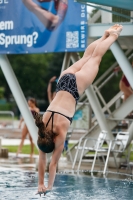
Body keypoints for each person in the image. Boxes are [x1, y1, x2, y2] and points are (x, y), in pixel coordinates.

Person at [32, 24, 123, 196]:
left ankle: (113, 36)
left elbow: (51, 165)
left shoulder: (59, 135)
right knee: (89, 55)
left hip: (76, 87)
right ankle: (104, 36)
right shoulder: (42, 129)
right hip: (64, 80)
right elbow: (42, 159)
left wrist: (48, 187)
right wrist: (39, 184)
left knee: (96, 57)